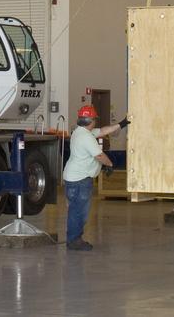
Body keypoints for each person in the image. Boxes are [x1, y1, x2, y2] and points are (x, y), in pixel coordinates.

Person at [62, 104, 128, 251]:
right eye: (94, 119)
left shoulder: (80, 132)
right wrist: (110, 164)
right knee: (79, 211)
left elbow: (104, 131)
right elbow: (99, 155)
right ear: (90, 120)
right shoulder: (86, 137)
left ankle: (74, 239)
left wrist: (121, 124)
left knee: (75, 210)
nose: (95, 122)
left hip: (73, 178)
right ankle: (74, 241)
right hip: (80, 180)